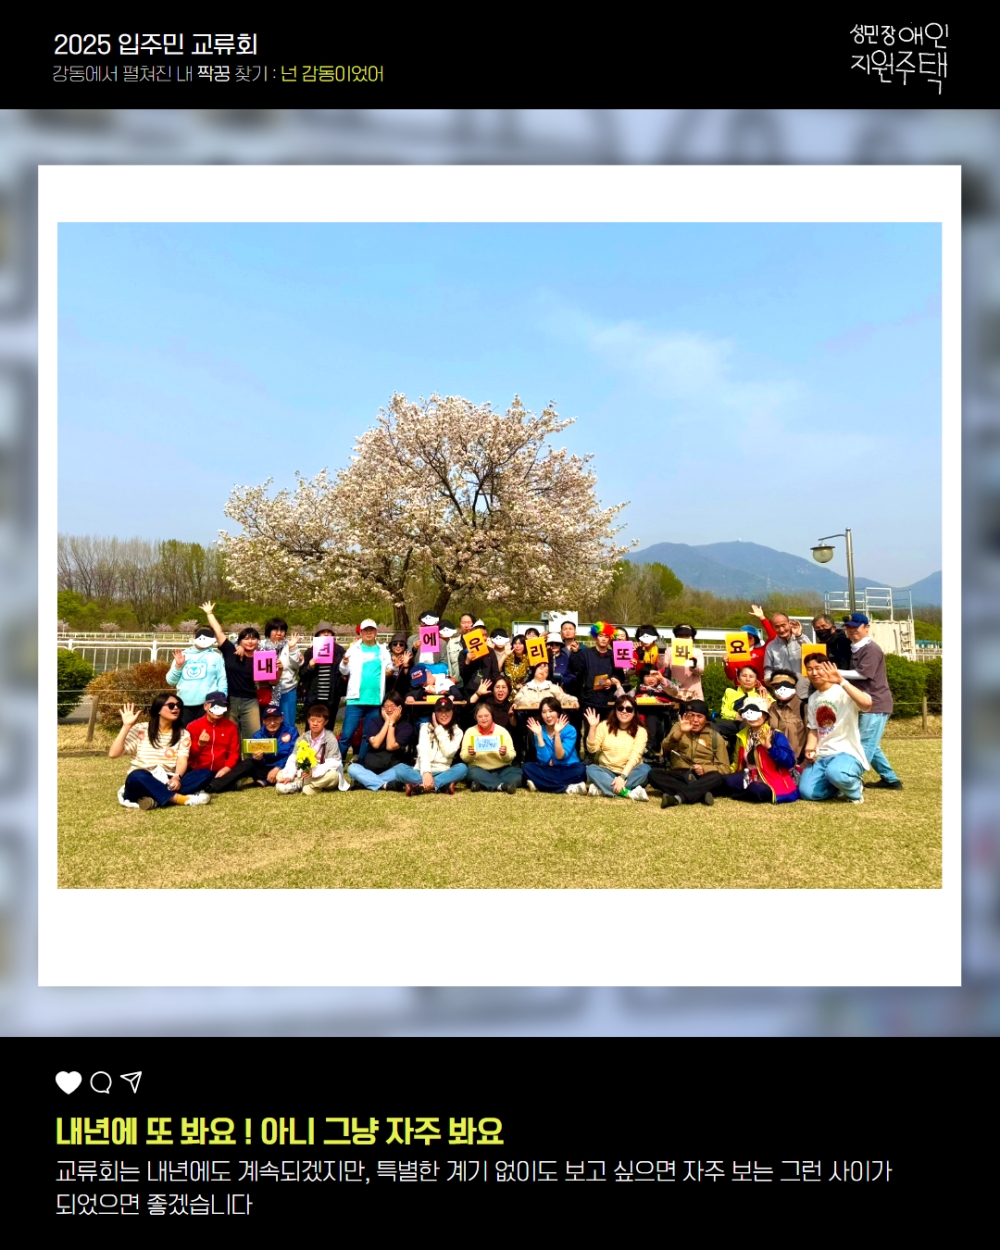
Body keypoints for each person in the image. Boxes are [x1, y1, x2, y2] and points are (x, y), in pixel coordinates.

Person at [111, 694, 211, 809]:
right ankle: (178, 799)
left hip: (168, 781)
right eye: (171, 705)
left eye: (179, 706)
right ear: (158, 709)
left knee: (205, 774)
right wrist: (126, 726)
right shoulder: (140, 729)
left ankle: (155, 798)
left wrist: (176, 777)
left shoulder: (183, 734)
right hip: (143, 779)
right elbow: (113, 754)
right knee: (136, 776)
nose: (176, 708)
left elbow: (182, 761)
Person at [841, 611, 903, 791]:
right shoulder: (855, 647)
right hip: (866, 703)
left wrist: (836, 674)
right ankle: (891, 780)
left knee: (864, 744)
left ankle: (852, 780)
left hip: (876, 703)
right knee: (871, 744)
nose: (852, 631)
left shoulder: (871, 649)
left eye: (856, 627)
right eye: (848, 628)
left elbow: (864, 674)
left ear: (867, 628)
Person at [798, 656, 872, 804]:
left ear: (829, 668)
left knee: (836, 773)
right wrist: (810, 748)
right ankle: (838, 787)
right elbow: (814, 728)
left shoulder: (843, 691)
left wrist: (842, 681)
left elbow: (867, 704)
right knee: (806, 792)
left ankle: (855, 790)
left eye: (818, 668)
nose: (814, 673)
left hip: (846, 753)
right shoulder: (813, 698)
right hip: (822, 755)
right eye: (810, 669)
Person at [200, 601, 261, 741]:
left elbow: (270, 681)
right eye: (246, 639)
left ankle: (251, 756)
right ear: (239, 641)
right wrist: (209, 613)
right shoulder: (230, 650)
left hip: (250, 700)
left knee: (254, 735)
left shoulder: (262, 658)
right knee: (228, 734)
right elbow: (218, 632)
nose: (250, 642)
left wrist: (278, 668)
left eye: (253, 639)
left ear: (258, 641)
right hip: (229, 699)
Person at [650, 701, 729, 808]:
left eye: (699, 716)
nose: (695, 720)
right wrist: (680, 732)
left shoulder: (715, 736)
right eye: (691, 715)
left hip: (703, 777)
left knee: (717, 777)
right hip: (680, 774)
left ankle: (678, 797)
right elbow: (665, 747)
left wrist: (704, 768)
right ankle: (701, 793)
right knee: (653, 774)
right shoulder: (678, 727)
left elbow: (725, 768)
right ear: (686, 716)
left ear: (706, 719)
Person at [722, 696, 799, 803]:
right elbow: (737, 761)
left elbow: (789, 761)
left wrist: (770, 748)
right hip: (749, 775)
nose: (752, 717)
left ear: (765, 715)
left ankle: (741, 793)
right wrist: (729, 774)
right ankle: (743, 791)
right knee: (727, 781)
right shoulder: (742, 735)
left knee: (756, 789)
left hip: (772, 778)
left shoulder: (776, 735)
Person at [338, 619, 395, 761]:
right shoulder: (353, 649)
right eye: (366, 630)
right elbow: (344, 671)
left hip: (375, 700)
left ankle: (362, 762)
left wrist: (391, 670)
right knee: (347, 734)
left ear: (376, 632)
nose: (369, 633)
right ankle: (338, 762)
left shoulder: (383, 650)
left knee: (368, 735)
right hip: (355, 699)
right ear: (361, 633)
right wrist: (344, 663)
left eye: (371, 630)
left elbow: (390, 667)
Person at [209, 703, 299, 791]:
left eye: (276, 719)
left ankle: (266, 781)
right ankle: (213, 786)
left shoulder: (291, 732)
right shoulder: (257, 736)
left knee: (288, 770)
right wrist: (258, 758)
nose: (272, 723)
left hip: (286, 768)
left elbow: (293, 754)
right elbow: (258, 761)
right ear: (263, 721)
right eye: (268, 720)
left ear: (282, 719)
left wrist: (277, 768)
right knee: (248, 762)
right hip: (265, 769)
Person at [395, 697, 468, 795]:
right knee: (400, 769)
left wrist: (438, 729)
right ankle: (441, 786)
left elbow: (448, 752)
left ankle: (420, 787)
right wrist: (426, 772)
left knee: (462, 768)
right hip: (421, 772)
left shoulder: (457, 732)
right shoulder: (425, 727)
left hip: (443, 772)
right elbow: (423, 751)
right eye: (440, 711)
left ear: (452, 712)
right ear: (435, 714)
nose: (443, 714)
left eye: (447, 711)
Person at [582, 695, 650, 801]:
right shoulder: (604, 726)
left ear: (634, 712)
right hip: (607, 770)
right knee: (591, 769)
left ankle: (603, 788)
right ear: (615, 710)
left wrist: (622, 777)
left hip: (630, 773)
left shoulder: (641, 731)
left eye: (629, 709)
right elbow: (592, 749)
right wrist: (592, 727)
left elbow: (635, 757)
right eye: (620, 708)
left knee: (646, 769)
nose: (624, 711)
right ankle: (627, 793)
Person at [347, 691, 416, 790]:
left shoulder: (406, 726)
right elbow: (375, 744)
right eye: (386, 706)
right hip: (371, 767)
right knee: (352, 768)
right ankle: (385, 785)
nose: (389, 710)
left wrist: (392, 723)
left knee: (402, 770)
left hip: (392, 768)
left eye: (392, 706)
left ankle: (365, 782)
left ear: (400, 708)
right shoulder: (374, 722)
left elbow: (390, 746)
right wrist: (387, 722)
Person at [277, 704, 347, 796]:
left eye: (319, 721)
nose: (315, 724)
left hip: (322, 773)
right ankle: (311, 787)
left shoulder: (330, 738)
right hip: (305, 772)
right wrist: (289, 776)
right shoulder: (303, 738)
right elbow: (293, 759)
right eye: (312, 720)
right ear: (308, 721)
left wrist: (314, 772)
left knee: (333, 776)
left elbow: (334, 762)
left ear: (325, 722)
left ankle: (300, 784)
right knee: (280, 774)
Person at [522, 697, 587, 793]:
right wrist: (539, 735)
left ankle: (540, 784)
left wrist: (557, 733)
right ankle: (567, 788)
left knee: (581, 770)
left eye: (551, 711)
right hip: (549, 769)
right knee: (527, 767)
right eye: (544, 712)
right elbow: (545, 760)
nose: (548, 715)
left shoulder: (570, 730)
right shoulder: (539, 730)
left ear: (558, 712)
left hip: (568, 767)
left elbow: (560, 756)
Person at [166, 627, 227, 728]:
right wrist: (178, 666)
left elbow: (222, 680)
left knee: (206, 735)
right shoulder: (182, 655)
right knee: (184, 734)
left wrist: (221, 700)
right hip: (184, 704)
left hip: (207, 705)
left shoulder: (216, 657)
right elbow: (171, 681)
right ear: (194, 636)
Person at [569, 621, 629, 720]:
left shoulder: (614, 655)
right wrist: (574, 653)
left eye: (607, 637)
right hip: (588, 699)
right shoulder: (585, 653)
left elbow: (620, 675)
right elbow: (578, 670)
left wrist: (611, 680)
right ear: (595, 637)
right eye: (601, 636)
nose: (604, 639)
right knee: (590, 728)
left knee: (606, 728)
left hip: (607, 700)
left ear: (610, 638)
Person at [460, 701, 521, 792]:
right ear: (475, 717)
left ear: (492, 716)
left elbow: (512, 755)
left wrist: (505, 754)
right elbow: (463, 756)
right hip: (479, 769)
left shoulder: (502, 731)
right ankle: (502, 785)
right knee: (470, 772)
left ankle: (483, 783)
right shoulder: (470, 732)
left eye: (486, 716)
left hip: (501, 769)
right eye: (480, 716)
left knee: (518, 773)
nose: (483, 719)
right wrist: (470, 754)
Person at [185, 691, 240, 791]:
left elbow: (234, 752)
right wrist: (200, 745)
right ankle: (216, 785)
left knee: (247, 764)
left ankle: (211, 785)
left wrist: (226, 768)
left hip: (221, 770)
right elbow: (189, 756)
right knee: (205, 775)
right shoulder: (193, 726)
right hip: (200, 770)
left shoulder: (231, 726)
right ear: (206, 706)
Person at [259, 616, 304, 729]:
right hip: (266, 692)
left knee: (287, 724)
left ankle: (287, 741)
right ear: (269, 631)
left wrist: (293, 648)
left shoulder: (290, 645)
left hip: (287, 690)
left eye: (282, 630)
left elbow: (297, 665)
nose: (279, 633)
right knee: (267, 724)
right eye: (275, 630)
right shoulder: (261, 646)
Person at [716, 665, 772, 753]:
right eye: (744, 676)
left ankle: (745, 753)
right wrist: (736, 715)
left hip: (750, 724)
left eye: (751, 677)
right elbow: (724, 711)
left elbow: (772, 705)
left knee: (746, 724)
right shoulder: (730, 692)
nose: (748, 679)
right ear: (738, 679)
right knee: (711, 724)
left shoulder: (760, 693)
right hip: (732, 722)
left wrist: (766, 704)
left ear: (756, 681)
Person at [300, 622, 346, 727]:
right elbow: (302, 674)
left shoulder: (339, 651)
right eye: (323, 632)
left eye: (329, 632)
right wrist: (310, 667)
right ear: (317, 635)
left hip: (332, 697)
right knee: (312, 726)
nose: (326, 634)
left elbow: (344, 672)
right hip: (313, 697)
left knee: (329, 726)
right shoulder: (310, 652)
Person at [723, 605, 777, 685]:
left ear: (756, 639)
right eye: (744, 637)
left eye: (750, 637)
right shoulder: (734, 654)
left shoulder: (762, 651)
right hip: (741, 689)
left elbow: (774, 636)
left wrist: (762, 618)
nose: (747, 639)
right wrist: (726, 664)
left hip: (760, 688)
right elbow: (731, 676)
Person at [763, 612, 811, 700]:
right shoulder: (771, 646)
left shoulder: (802, 638)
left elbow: (813, 655)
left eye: (783, 625)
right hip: (783, 693)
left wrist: (799, 636)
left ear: (789, 623)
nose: (781, 630)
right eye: (777, 627)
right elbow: (768, 668)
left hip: (805, 692)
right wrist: (770, 681)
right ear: (772, 627)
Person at [767, 669, 808, 761]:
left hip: (796, 762)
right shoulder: (770, 708)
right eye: (776, 687)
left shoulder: (804, 708)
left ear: (794, 688)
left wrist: (804, 763)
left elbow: (813, 737)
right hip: (772, 761)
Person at [662, 624, 706, 701]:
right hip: (675, 691)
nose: (684, 638)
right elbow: (662, 667)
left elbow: (700, 671)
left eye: (687, 635)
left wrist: (694, 666)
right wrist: (661, 653)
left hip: (694, 692)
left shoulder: (697, 652)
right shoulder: (670, 650)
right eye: (681, 635)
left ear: (692, 637)